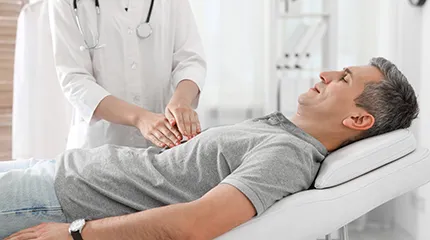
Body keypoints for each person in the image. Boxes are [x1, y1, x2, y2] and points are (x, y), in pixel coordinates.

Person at [1, 57, 419, 240]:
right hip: (59, 174)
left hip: (55, 201)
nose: (326, 73)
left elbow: (194, 225)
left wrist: (77, 234)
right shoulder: (280, 133)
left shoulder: (287, 156)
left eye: (344, 79)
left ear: (359, 120)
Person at [48, 0, 206, 150]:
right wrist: (139, 118)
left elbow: (190, 59)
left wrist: (181, 101)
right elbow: (75, 80)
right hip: (99, 149)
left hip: (163, 146)